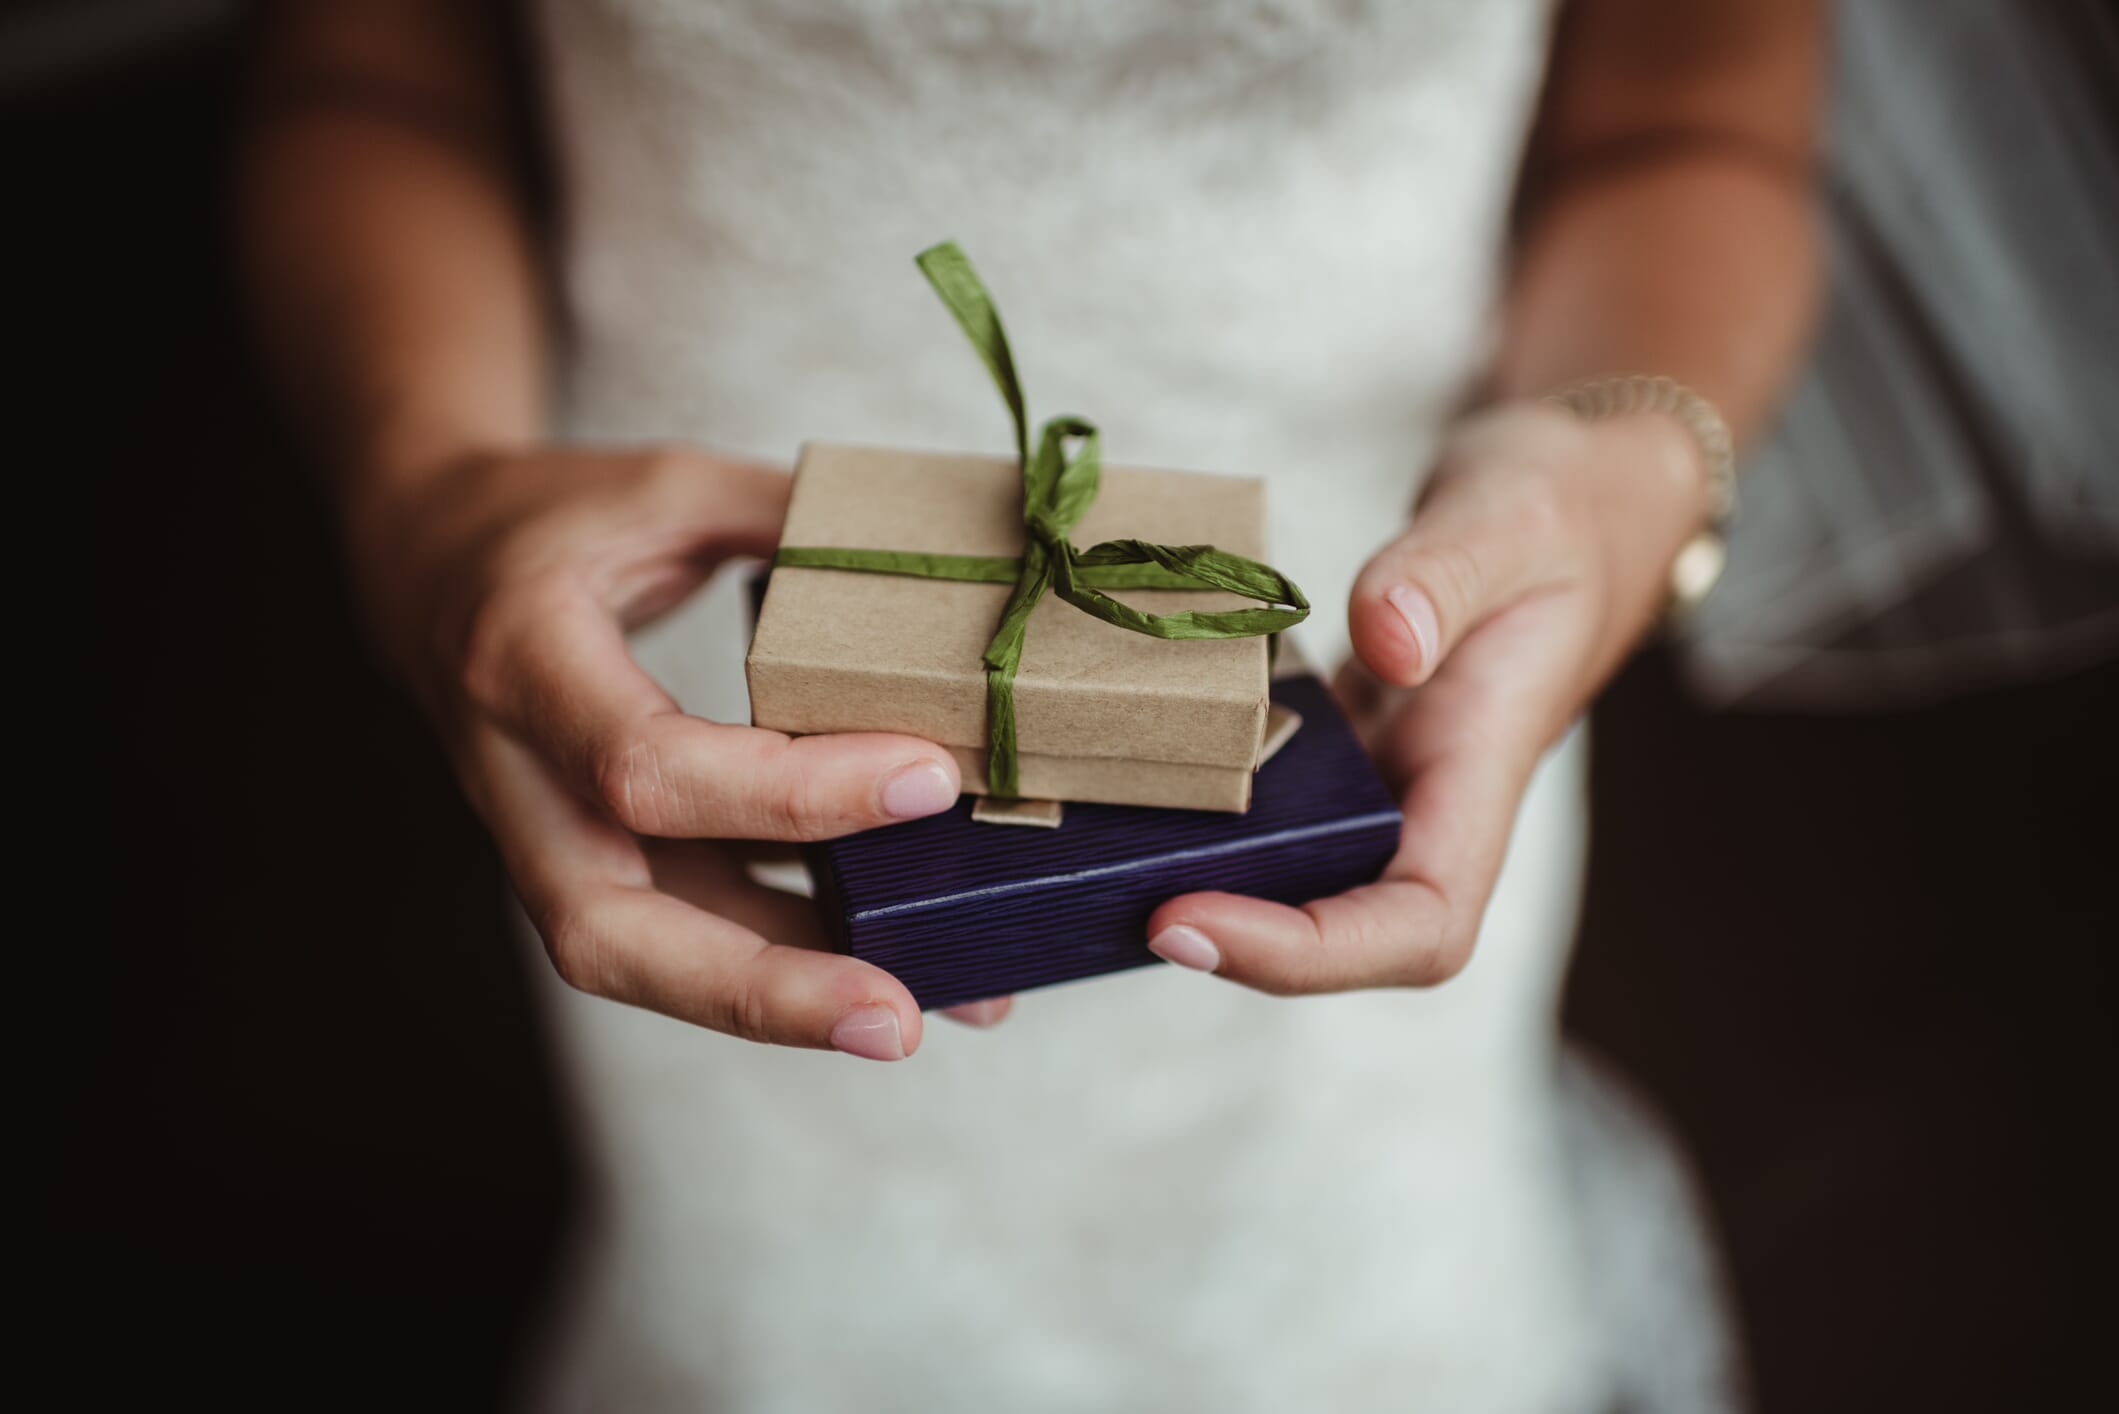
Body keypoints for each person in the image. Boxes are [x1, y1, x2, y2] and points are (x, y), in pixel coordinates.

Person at [241, 1, 1820, 1407]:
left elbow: (1690, 124)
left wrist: (1626, 469)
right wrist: (432, 485)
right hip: (674, 672)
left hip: (1380, 646)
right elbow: (374, 71)